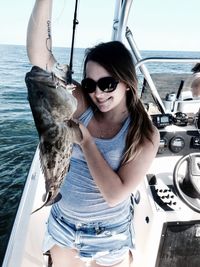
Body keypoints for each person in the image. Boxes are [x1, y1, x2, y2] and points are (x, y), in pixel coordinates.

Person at [27, 1, 160, 266]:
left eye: (107, 83)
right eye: (90, 84)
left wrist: (86, 141)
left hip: (109, 235)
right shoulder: (83, 105)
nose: (98, 93)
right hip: (64, 225)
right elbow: (38, 57)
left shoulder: (144, 133)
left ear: (127, 82)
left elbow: (114, 194)